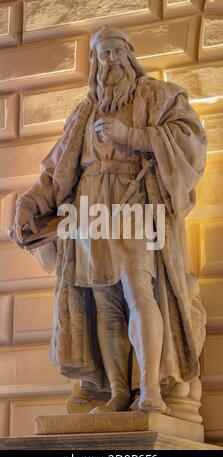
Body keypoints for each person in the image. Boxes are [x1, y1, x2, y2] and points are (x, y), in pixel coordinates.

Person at [12, 26, 207, 414]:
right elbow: (56, 172)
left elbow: (190, 140)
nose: (111, 60)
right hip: (90, 211)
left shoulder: (158, 96)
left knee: (139, 289)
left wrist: (131, 134)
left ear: (130, 57)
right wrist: (29, 203)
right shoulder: (83, 112)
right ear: (94, 63)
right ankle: (118, 392)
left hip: (135, 204)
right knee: (105, 303)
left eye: (118, 52)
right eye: (103, 54)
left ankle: (150, 388)